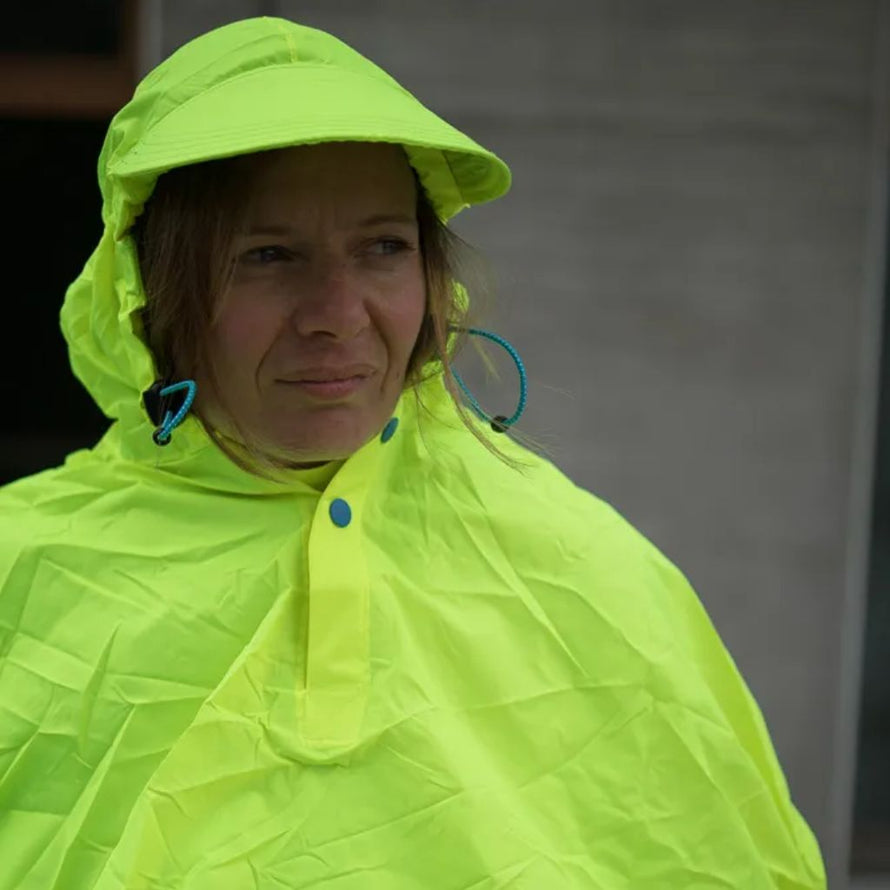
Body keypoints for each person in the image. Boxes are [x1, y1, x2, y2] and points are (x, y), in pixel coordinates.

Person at [0, 16, 825, 890]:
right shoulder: (26, 561)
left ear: (432, 277)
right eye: (269, 255)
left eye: (383, 248)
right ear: (151, 291)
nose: (337, 313)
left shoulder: (588, 567)